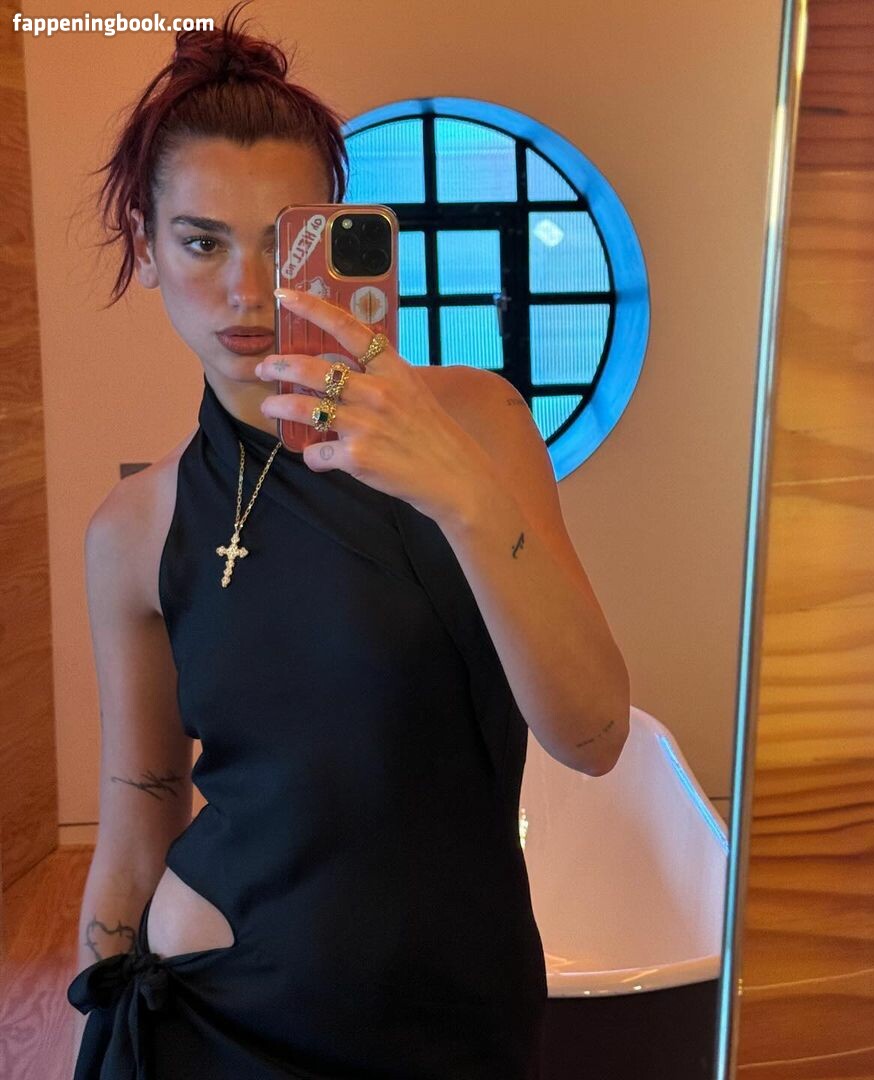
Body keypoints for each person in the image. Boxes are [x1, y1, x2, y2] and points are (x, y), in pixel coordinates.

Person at [64, 2, 631, 1077]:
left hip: (458, 1014)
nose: (245, 289)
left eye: (282, 244)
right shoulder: (133, 530)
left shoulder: (476, 424)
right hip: (208, 1017)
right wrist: (98, 1020)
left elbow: (593, 734)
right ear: (146, 248)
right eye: (200, 241)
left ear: (333, 238)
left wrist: (461, 494)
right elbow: (141, 801)